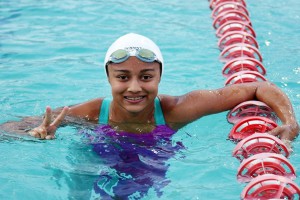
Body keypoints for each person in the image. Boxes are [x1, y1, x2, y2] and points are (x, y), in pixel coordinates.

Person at [1, 33, 298, 143]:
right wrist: (33, 135)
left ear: (160, 76)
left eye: (146, 77)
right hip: (96, 162)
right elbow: (12, 128)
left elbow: (258, 87)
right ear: (108, 78)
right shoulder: (90, 112)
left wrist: (290, 122)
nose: (134, 88)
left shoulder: (179, 108)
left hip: (152, 165)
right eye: (122, 77)